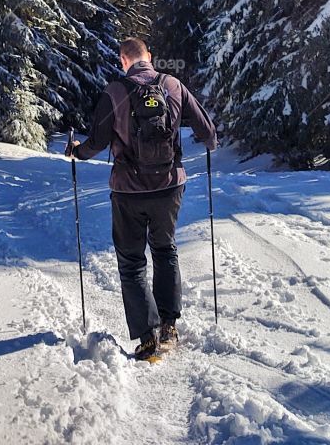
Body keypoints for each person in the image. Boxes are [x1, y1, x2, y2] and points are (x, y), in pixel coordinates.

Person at [66, 36, 218, 360]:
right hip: (168, 187)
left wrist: (77, 152)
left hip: (128, 191)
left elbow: (96, 141)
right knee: (165, 250)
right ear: (149, 56)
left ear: (123, 60)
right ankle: (169, 326)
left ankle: (148, 340)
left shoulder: (115, 92)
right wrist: (210, 143)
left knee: (132, 261)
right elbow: (207, 132)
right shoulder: (173, 85)